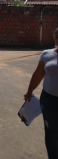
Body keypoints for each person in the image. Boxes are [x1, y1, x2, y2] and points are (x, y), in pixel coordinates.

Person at [24, 27, 58, 158]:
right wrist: (29, 91)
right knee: (51, 132)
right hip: (49, 100)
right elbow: (38, 74)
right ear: (56, 39)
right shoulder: (47, 54)